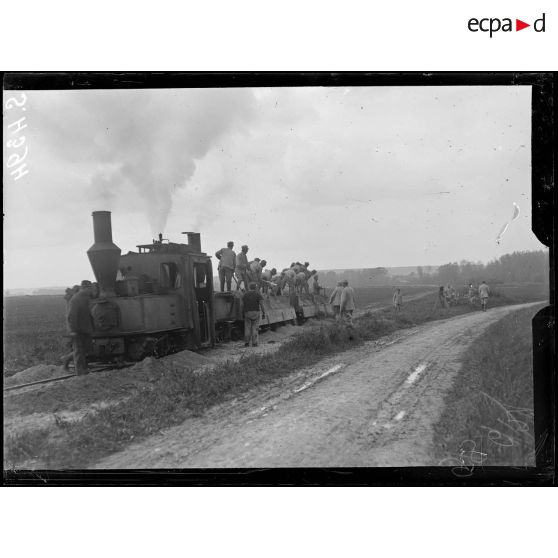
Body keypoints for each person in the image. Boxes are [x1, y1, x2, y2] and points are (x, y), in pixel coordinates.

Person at [66, 280, 94, 375]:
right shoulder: (76, 299)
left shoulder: (85, 298)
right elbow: (72, 316)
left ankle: (81, 368)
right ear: (86, 288)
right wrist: (73, 330)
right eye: (90, 288)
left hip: (85, 329)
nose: (91, 291)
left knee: (85, 350)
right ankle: (80, 372)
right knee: (79, 351)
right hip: (78, 330)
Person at [61, 285, 80, 370]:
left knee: (80, 348)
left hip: (73, 327)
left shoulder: (71, 300)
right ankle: (67, 359)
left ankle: (68, 360)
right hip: (74, 327)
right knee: (80, 348)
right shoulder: (73, 300)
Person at [242, 282, 266, 347]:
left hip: (247, 313)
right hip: (256, 313)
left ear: (249, 287)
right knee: (255, 328)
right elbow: (261, 304)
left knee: (247, 328)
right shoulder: (258, 294)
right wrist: (263, 313)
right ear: (255, 287)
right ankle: (254, 343)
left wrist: (243, 313)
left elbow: (242, 305)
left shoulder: (245, 294)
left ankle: (246, 343)